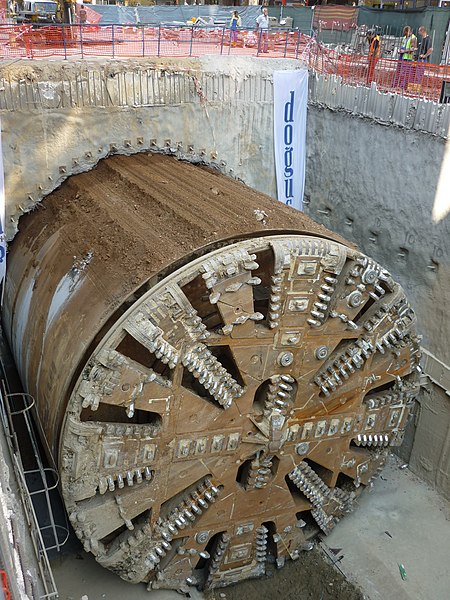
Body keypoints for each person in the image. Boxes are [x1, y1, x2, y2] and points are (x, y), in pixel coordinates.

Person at [393, 26, 417, 90]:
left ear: (409, 32)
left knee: (405, 73)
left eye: (406, 33)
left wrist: (404, 51)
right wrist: (400, 50)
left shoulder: (413, 38)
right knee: (398, 71)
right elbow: (402, 46)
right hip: (401, 56)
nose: (405, 34)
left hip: (408, 58)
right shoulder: (404, 38)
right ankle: (395, 85)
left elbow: (413, 49)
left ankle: (402, 87)